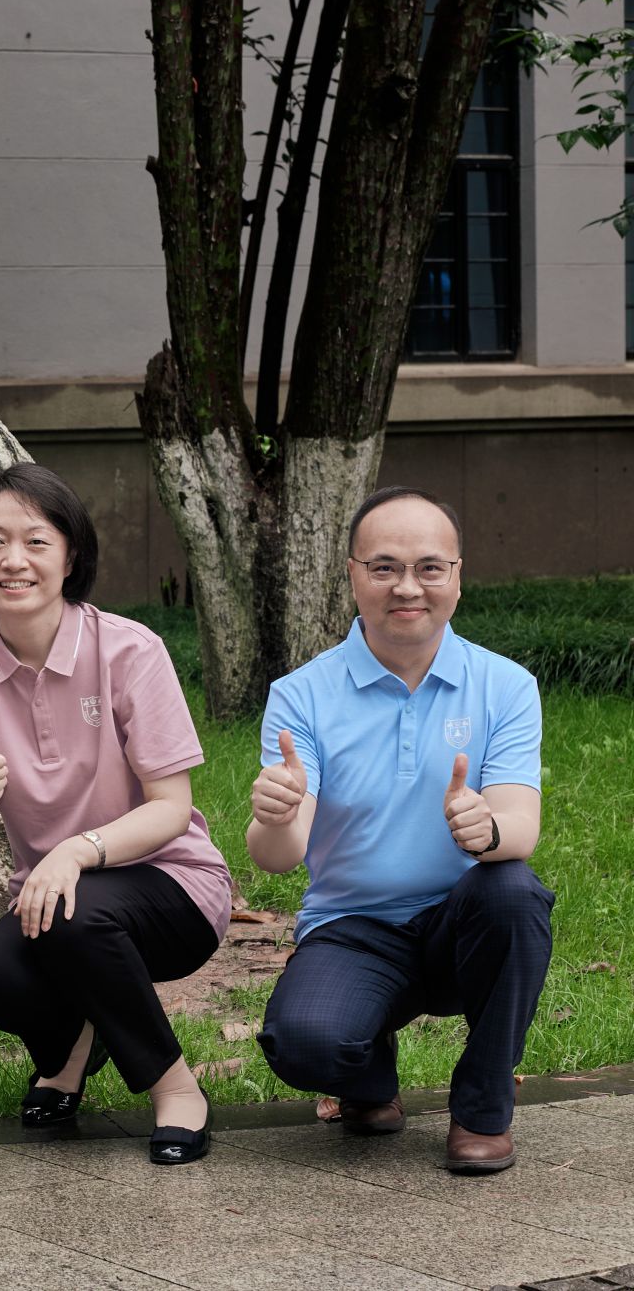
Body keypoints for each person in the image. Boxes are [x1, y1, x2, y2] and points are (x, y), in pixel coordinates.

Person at [0, 463, 231, 1165]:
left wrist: (75, 850)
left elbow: (172, 809)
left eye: (36, 541)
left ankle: (175, 1088)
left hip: (172, 885)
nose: (14, 560)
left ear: (70, 555)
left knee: (72, 911)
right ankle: (74, 1046)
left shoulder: (129, 649)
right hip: (55, 902)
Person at [249, 486, 551, 1174]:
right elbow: (277, 856)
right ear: (353, 574)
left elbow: (520, 829)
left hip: (462, 924)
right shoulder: (301, 694)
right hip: (353, 926)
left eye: (429, 567)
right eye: (384, 567)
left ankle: (482, 1107)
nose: (407, 586)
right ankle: (368, 1075)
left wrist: (486, 828)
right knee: (305, 1043)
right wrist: (274, 814)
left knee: (513, 890)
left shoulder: (505, 685)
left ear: (458, 576)